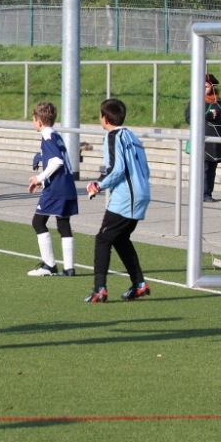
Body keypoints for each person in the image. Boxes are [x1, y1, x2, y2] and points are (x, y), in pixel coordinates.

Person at [85, 98, 152, 303]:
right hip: (142, 192)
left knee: (103, 239)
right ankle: (140, 284)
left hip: (127, 196)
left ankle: (100, 289)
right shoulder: (131, 135)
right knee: (121, 239)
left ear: (104, 118)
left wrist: (98, 184)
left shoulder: (113, 136)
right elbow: (145, 169)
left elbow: (116, 168)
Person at [26, 102, 77, 277]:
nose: (33, 123)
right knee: (63, 224)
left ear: (39, 121)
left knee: (38, 222)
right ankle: (69, 268)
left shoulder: (47, 136)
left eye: (33, 120)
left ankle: (49, 266)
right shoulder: (56, 136)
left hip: (56, 189)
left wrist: (39, 177)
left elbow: (57, 161)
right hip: (67, 185)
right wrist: (43, 180)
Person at [185, 73, 221, 203]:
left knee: (211, 169)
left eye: (206, 86)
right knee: (203, 168)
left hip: (215, 141)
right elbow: (189, 119)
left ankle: (208, 193)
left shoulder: (219, 102)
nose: (203, 88)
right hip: (201, 140)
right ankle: (201, 194)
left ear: (212, 86)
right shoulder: (196, 101)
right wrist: (206, 116)